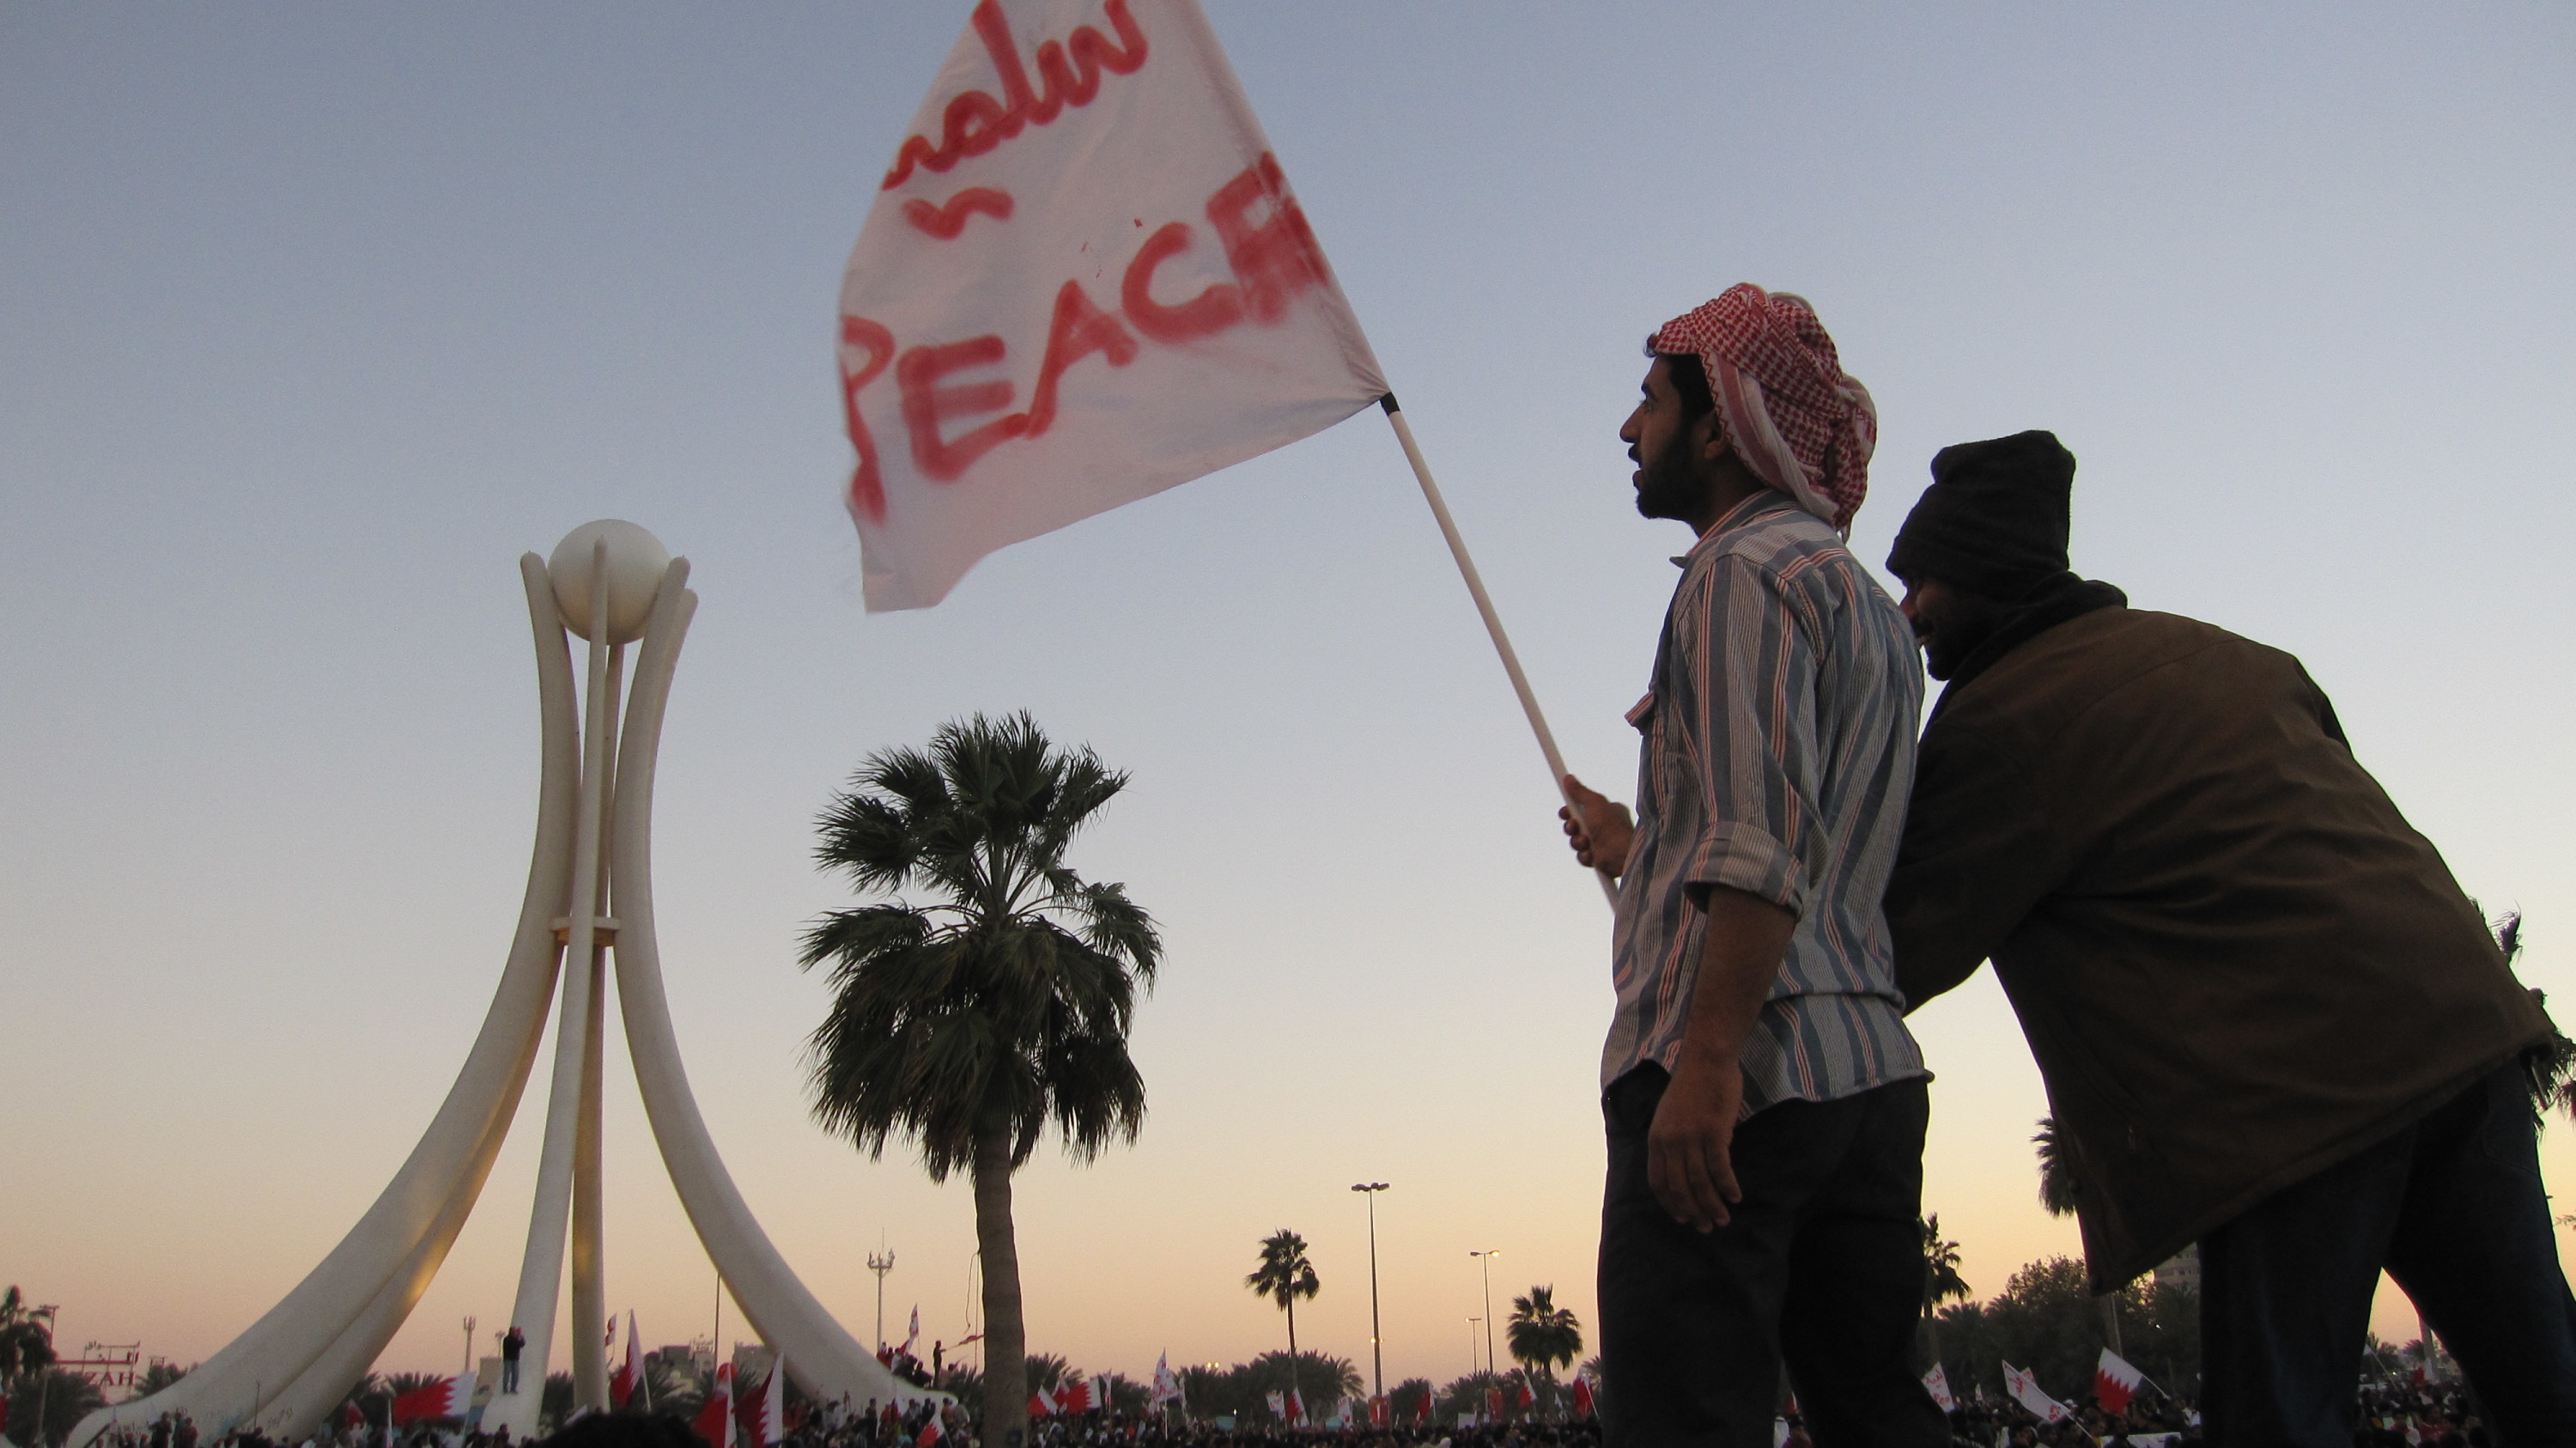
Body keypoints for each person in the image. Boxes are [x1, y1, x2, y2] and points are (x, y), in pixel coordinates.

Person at [1879, 430, 2576, 1445]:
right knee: (2550, 1387)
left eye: (1921, 583)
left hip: (2299, 1093)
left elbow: (1891, 948)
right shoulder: (2226, 651)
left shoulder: (2002, 721)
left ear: (1983, 570)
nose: (1909, 613)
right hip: (2464, 1034)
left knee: (2281, 1423)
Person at [1558, 284, 1945, 1448]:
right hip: (1866, 1078)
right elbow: (1804, 838)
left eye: (1649, 399)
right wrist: (1636, 848)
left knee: (1687, 1418)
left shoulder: (1734, 579)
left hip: (1743, 1077)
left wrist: (1708, 1060)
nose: (1630, 429)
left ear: (1719, 421)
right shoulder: (1867, 604)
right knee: (1873, 1407)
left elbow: (1762, 846)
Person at [501, 1327, 526, 1395]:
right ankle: (507, 1388)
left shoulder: (512, 1339)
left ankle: (512, 1388)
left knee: (515, 1374)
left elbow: (521, 1344)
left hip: (514, 1359)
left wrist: (520, 1338)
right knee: (508, 1374)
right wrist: (519, 1338)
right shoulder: (508, 1339)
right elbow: (518, 1344)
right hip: (509, 1359)